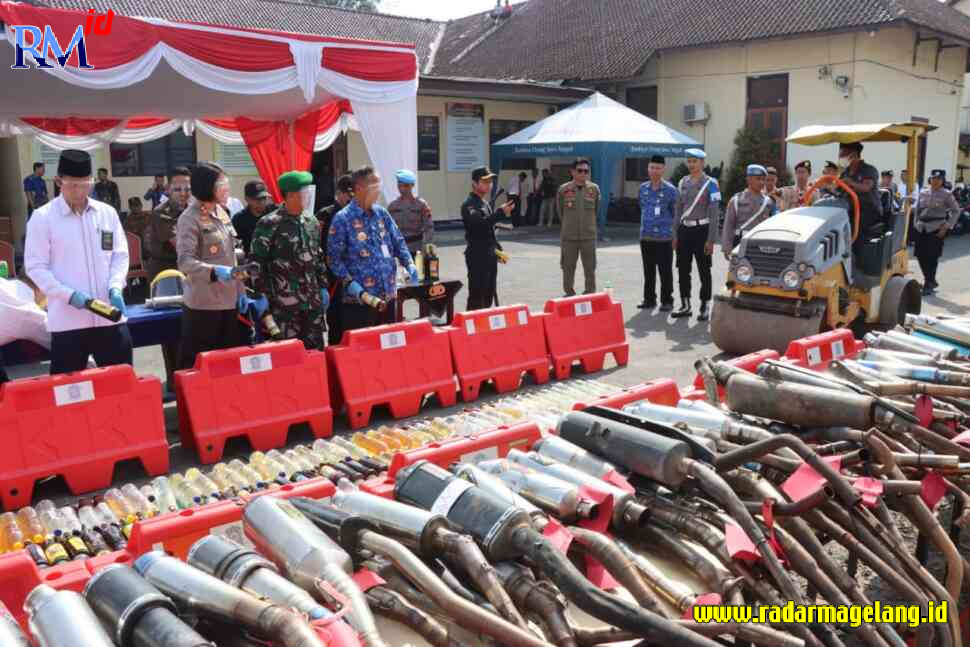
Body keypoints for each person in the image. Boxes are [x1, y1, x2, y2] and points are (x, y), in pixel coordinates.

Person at [24, 149, 132, 375]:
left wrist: (115, 286)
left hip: (109, 318)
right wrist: (68, 295)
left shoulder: (106, 213)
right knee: (69, 392)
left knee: (120, 384)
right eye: (73, 185)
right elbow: (35, 266)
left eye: (85, 184)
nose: (79, 191)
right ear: (59, 182)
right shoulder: (43, 217)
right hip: (68, 322)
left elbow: (119, 255)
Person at [175, 162, 250, 369]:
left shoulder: (222, 212)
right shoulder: (189, 219)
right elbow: (185, 262)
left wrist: (241, 290)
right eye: (221, 184)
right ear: (207, 187)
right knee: (201, 366)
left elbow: (233, 257)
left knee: (227, 364)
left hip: (229, 301)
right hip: (204, 306)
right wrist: (214, 271)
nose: (226, 189)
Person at [328, 166, 416, 331]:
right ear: (360, 188)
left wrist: (409, 262)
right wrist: (351, 285)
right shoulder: (343, 219)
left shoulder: (381, 213)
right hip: (360, 302)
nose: (378, 191)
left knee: (388, 346)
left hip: (388, 297)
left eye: (379, 186)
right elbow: (334, 259)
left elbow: (398, 241)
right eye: (374, 187)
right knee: (363, 351)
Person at [250, 171, 329, 350]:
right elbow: (256, 264)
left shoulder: (311, 221)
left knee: (315, 354)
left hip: (312, 304)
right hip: (285, 306)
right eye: (305, 192)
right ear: (292, 195)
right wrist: (261, 297)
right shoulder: (269, 223)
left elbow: (318, 256)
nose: (309, 196)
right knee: (288, 355)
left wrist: (323, 286)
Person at [672, 148, 720, 320]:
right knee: (683, 269)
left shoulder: (711, 183)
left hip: (702, 231)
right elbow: (678, 209)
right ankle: (685, 305)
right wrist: (675, 234)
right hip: (684, 230)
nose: (691, 165)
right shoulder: (682, 182)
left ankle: (705, 305)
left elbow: (714, 213)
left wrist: (711, 239)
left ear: (702, 163)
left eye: (695, 161)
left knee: (704, 270)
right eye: (689, 161)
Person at [461, 166, 513, 310]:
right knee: (477, 296)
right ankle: (470, 328)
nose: (489, 184)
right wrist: (500, 212)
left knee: (488, 294)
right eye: (484, 181)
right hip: (477, 254)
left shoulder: (484, 203)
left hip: (489, 253)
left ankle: (484, 328)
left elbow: (488, 229)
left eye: (490, 181)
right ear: (475, 184)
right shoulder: (469, 204)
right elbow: (479, 226)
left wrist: (496, 248)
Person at [637, 155, 679, 311]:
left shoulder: (670, 190)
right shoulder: (643, 188)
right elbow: (642, 207)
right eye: (651, 167)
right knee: (648, 271)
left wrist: (675, 236)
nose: (654, 171)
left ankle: (667, 301)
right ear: (648, 168)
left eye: (657, 168)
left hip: (664, 238)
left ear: (663, 169)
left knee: (665, 271)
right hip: (646, 236)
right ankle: (649, 300)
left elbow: (675, 215)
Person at [316, 174, 354, 345]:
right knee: (335, 320)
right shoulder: (325, 214)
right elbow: (316, 245)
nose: (351, 199)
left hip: (353, 276)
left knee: (352, 321)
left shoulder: (356, 213)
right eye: (348, 194)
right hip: (332, 277)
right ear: (339, 193)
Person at [913, 169, 960, 296]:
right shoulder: (923, 192)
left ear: (942, 181)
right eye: (933, 178)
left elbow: (956, 211)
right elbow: (917, 210)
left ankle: (928, 282)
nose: (935, 181)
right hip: (921, 227)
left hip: (936, 228)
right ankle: (931, 280)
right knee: (919, 255)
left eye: (938, 179)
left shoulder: (947, 194)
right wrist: (915, 223)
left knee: (932, 257)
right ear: (930, 179)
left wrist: (947, 226)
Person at [558, 158, 601, 297]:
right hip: (569, 236)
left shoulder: (594, 189)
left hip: (588, 236)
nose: (583, 173)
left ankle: (589, 293)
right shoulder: (564, 190)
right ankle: (569, 293)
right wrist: (568, 225)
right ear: (572, 172)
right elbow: (560, 212)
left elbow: (597, 211)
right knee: (568, 267)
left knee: (590, 268)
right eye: (580, 170)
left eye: (586, 171)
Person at [144, 167, 190, 280]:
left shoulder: (192, 210)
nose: (183, 193)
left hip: (187, 270)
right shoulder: (161, 212)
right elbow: (180, 244)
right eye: (177, 189)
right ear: (168, 189)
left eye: (187, 189)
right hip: (165, 274)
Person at [721, 164, 776, 259]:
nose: (761, 182)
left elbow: (771, 227)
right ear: (749, 179)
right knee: (738, 271)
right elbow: (728, 225)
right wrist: (727, 247)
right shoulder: (737, 200)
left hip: (760, 244)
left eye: (763, 179)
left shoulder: (769, 202)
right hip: (740, 241)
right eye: (758, 179)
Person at [838, 142, 883, 249]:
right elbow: (838, 189)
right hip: (850, 209)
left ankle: (854, 257)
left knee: (851, 228)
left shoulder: (869, 169)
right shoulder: (845, 172)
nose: (840, 157)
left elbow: (866, 187)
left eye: (843, 154)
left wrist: (850, 182)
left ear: (853, 155)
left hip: (869, 210)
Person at [387, 169, 433, 257]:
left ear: (412, 185)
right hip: (398, 248)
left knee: (417, 270)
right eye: (399, 185)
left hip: (416, 248)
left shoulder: (421, 204)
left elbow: (429, 227)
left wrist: (426, 246)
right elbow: (387, 228)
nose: (402, 188)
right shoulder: (392, 206)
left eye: (405, 186)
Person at [232, 180, 274, 256]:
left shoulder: (275, 213)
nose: (262, 202)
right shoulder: (239, 219)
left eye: (264, 198)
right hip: (252, 262)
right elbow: (235, 244)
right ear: (247, 199)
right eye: (257, 199)